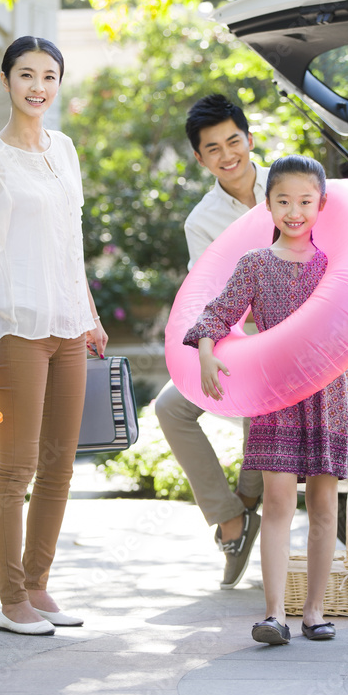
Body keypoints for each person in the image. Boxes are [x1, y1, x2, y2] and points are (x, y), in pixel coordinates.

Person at [184, 155, 348, 645]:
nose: (294, 211)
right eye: (283, 201)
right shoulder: (255, 264)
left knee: (324, 505)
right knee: (279, 502)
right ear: (268, 206)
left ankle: (315, 611)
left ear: (322, 205)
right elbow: (216, 315)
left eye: (305, 201)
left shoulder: (335, 267)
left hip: (327, 396)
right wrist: (206, 353)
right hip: (275, 395)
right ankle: (274, 614)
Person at [0, 35, 108, 636]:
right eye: (27, 75)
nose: (39, 87)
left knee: (59, 465)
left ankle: (39, 585)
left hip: (69, 325)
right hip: (17, 330)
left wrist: (91, 313)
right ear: (6, 81)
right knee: (16, 467)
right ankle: (11, 600)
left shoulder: (65, 149)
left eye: (49, 76)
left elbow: (69, 242)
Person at [155, 94, 266, 589]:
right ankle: (230, 519)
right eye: (213, 148)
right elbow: (210, 294)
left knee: (263, 415)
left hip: (302, 335)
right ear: (200, 159)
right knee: (169, 409)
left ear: (248, 138)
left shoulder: (291, 183)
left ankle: (242, 510)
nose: (228, 155)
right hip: (238, 339)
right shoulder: (201, 220)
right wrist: (212, 346)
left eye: (234, 141)